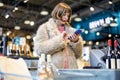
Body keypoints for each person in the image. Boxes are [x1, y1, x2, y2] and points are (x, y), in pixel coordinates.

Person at [34, 2, 83, 69]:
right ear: (57, 13)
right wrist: (60, 40)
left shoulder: (71, 31)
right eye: (64, 15)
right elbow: (39, 50)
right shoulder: (45, 28)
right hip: (53, 70)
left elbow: (78, 55)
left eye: (68, 16)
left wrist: (76, 42)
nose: (66, 18)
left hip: (72, 70)